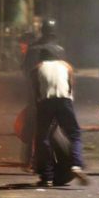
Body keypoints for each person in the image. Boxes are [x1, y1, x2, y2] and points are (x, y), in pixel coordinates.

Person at [31, 49, 89, 187]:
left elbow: (36, 90)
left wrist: (38, 106)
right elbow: (70, 87)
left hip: (45, 102)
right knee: (74, 134)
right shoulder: (66, 66)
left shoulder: (37, 68)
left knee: (42, 138)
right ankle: (76, 165)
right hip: (64, 101)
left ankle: (47, 177)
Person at [20, 19, 65, 171]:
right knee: (50, 127)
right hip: (53, 93)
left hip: (35, 93)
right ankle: (44, 160)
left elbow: (25, 70)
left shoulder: (33, 49)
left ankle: (31, 160)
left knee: (35, 126)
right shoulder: (59, 50)